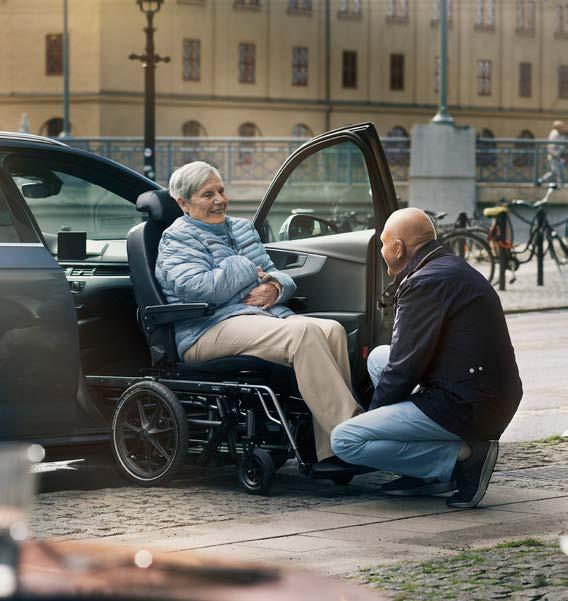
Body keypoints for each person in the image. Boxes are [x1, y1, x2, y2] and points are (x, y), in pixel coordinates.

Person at [155, 161, 362, 465]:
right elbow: (199, 289)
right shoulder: (177, 238)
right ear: (183, 203)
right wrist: (246, 269)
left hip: (256, 317)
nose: (219, 200)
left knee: (333, 330)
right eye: (207, 194)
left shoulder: (240, 228)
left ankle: (331, 446)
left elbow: (276, 274)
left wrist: (276, 287)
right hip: (206, 327)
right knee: (303, 333)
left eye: (221, 191)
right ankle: (354, 438)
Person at [331, 208, 523, 508]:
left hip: (466, 404)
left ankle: (466, 457)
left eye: (383, 243)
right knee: (379, 357)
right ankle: (427, 473)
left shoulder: (424, 282)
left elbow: (404, 368)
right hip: (486, 393)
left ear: (398, 247)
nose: (382, 251)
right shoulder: (446, 267)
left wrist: (372, 420)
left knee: (345, 440)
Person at [537, 120, 566, 189]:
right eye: (561, 126)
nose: (562, 128)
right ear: (557, 127)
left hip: (556, 156)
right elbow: (553, 146)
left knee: (555, 171)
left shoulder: (557, 133)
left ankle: (541, 180)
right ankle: (560, 186)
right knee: (557, 171)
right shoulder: (555, 133)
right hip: (554, 156)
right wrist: (557, 153)